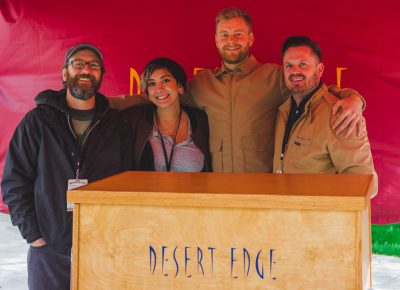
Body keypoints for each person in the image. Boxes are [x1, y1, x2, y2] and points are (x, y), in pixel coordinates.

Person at [111, 7, 365, 173]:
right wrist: (102, 104)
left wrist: (354, 98)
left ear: (250, 39)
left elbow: (313, 87)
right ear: (216, 40)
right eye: (225, 35)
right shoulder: (203, 84)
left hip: (263, 191)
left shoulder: (274, 76)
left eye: (238, 35)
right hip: (218, 192)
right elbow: (154, 96)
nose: (231, 41)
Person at [1, 44, 133, 290]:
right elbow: (14, 181)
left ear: (101, 75)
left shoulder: (117, 126)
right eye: (78, 63)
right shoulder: (37, 121)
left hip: (101, 248)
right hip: (49, 249)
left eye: (94, 65)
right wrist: (34, 236)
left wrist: (117, 236)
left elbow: (128, 185)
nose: (86, 70)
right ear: (64, 73)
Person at [273, 36, 377, 197]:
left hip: (320, 219)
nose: (295, 71)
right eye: (289, 66)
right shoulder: (283, 110)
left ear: (319, 70)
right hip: (285, 216)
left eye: (303, 64)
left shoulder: (340, 113)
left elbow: (363, 184)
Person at [122, 58, 211, 172]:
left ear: (180, 87)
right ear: (148, 94)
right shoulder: (135, 121)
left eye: (165, 81)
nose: (159, 89)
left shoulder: (201, 121)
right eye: (152, 83)